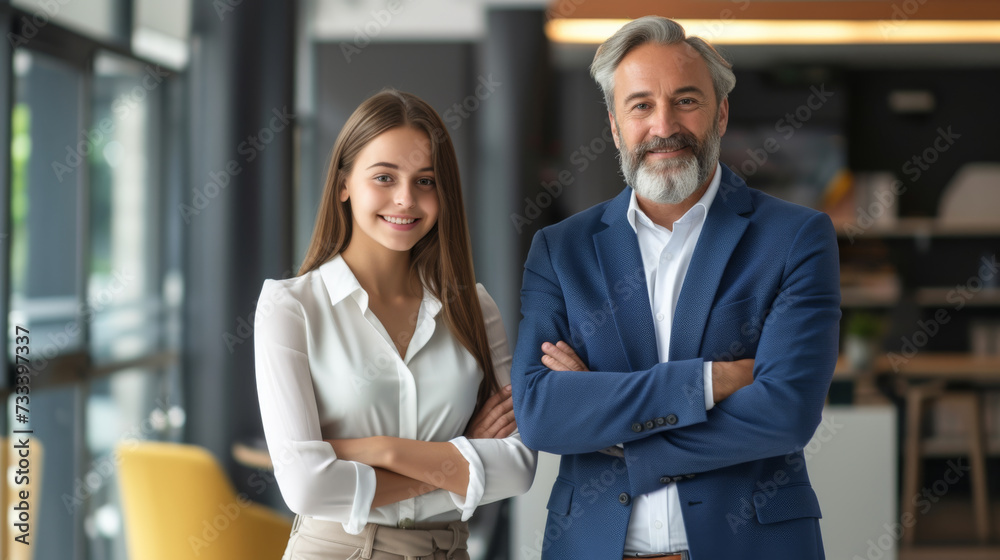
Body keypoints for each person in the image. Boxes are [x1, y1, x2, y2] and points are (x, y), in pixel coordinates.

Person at [510, 16, 840, 560]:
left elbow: (786, 412)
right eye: (640, 105)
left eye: (686, 100)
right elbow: (542, 413)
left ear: (721, 113)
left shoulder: (795, 238)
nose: (664, 125)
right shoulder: (560, 249)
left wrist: (614, 426)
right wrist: (711, 381)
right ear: (615, 125)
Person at [255, 89, 536, 560]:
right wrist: (461, 455)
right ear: (344, 183)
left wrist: (379, 450)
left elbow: (518, 466)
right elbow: (305, 486)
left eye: (425, 180)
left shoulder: (473, 307)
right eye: (384, 177)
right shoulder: (291, 308)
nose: (406, 199)